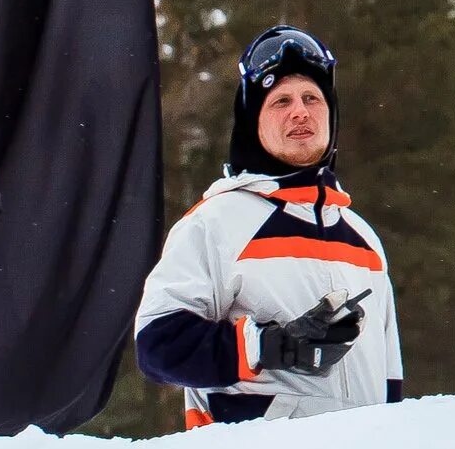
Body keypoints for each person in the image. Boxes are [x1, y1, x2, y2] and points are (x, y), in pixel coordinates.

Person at [133, 27, 403, 427]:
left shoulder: (363, 239)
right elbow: (157, 346)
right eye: (281, 101)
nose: (300, 112)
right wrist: (268, 346)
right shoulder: (215, 222)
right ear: (253, 124)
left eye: (312, 98)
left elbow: (391, 383)